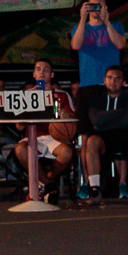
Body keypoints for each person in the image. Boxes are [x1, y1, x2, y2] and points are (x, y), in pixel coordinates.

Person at [78, 65, 128, 203]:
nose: (113, 82)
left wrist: (107, 118)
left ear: (124, 82)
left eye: (117, 79)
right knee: (91, 141)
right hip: (105, 139)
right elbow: (96, 120)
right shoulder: (96, 99)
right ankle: (94, 190)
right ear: (104, 80)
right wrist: (121, 113)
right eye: (109, 78)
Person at [12, 59, 77, 203]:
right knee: (20, 149)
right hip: (33, 136)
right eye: (38, 69)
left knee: (67, 153)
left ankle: (45, 182)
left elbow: (72, 119)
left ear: (52, 75)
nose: (42, 72)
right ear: (34, 74)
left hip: (55, 137)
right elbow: (19, 127)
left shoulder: (62, 95)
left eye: (46, 69)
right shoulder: (26, 95)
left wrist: (66, 115)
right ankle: (49, 185)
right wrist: (27, 110)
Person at [71, 0, 127, 89]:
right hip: (88, 83)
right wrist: (82, 18)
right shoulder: (79, 28)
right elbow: (75, 46)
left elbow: (120, 45)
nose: (95, 8)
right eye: (92, 5)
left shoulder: (115, 25)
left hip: (110, 84)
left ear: (105, 7)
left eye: (99, 5)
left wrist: (107, 22)